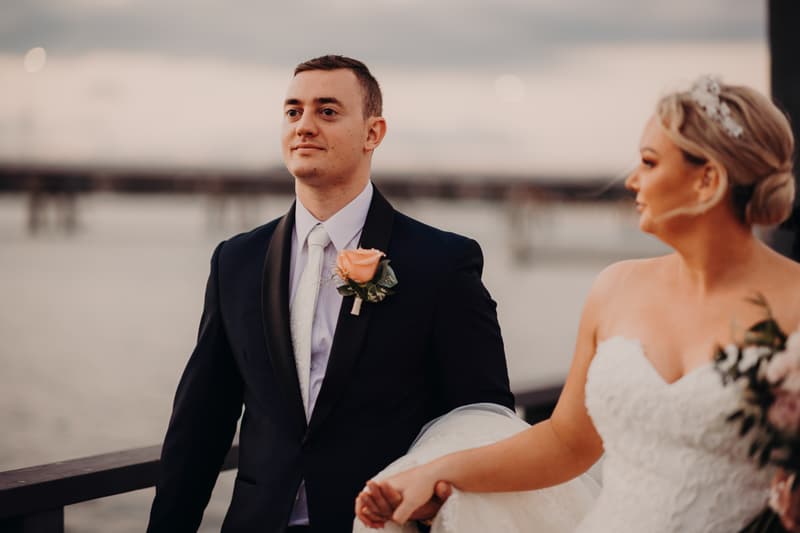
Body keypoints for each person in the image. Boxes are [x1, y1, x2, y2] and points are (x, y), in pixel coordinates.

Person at [356, 77, 800, 532]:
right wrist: (434, 472)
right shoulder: (616, 288)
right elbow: (566, 443)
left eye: (649, 162)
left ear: (708, 179)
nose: (631, 180)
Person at [145, 55, 514, 533]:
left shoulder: (442, 263)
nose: (304, 126)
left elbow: (481, 417)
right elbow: (201, 423)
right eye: (293, 111)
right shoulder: (235, 262)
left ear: (373, 133)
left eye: (327, 111)